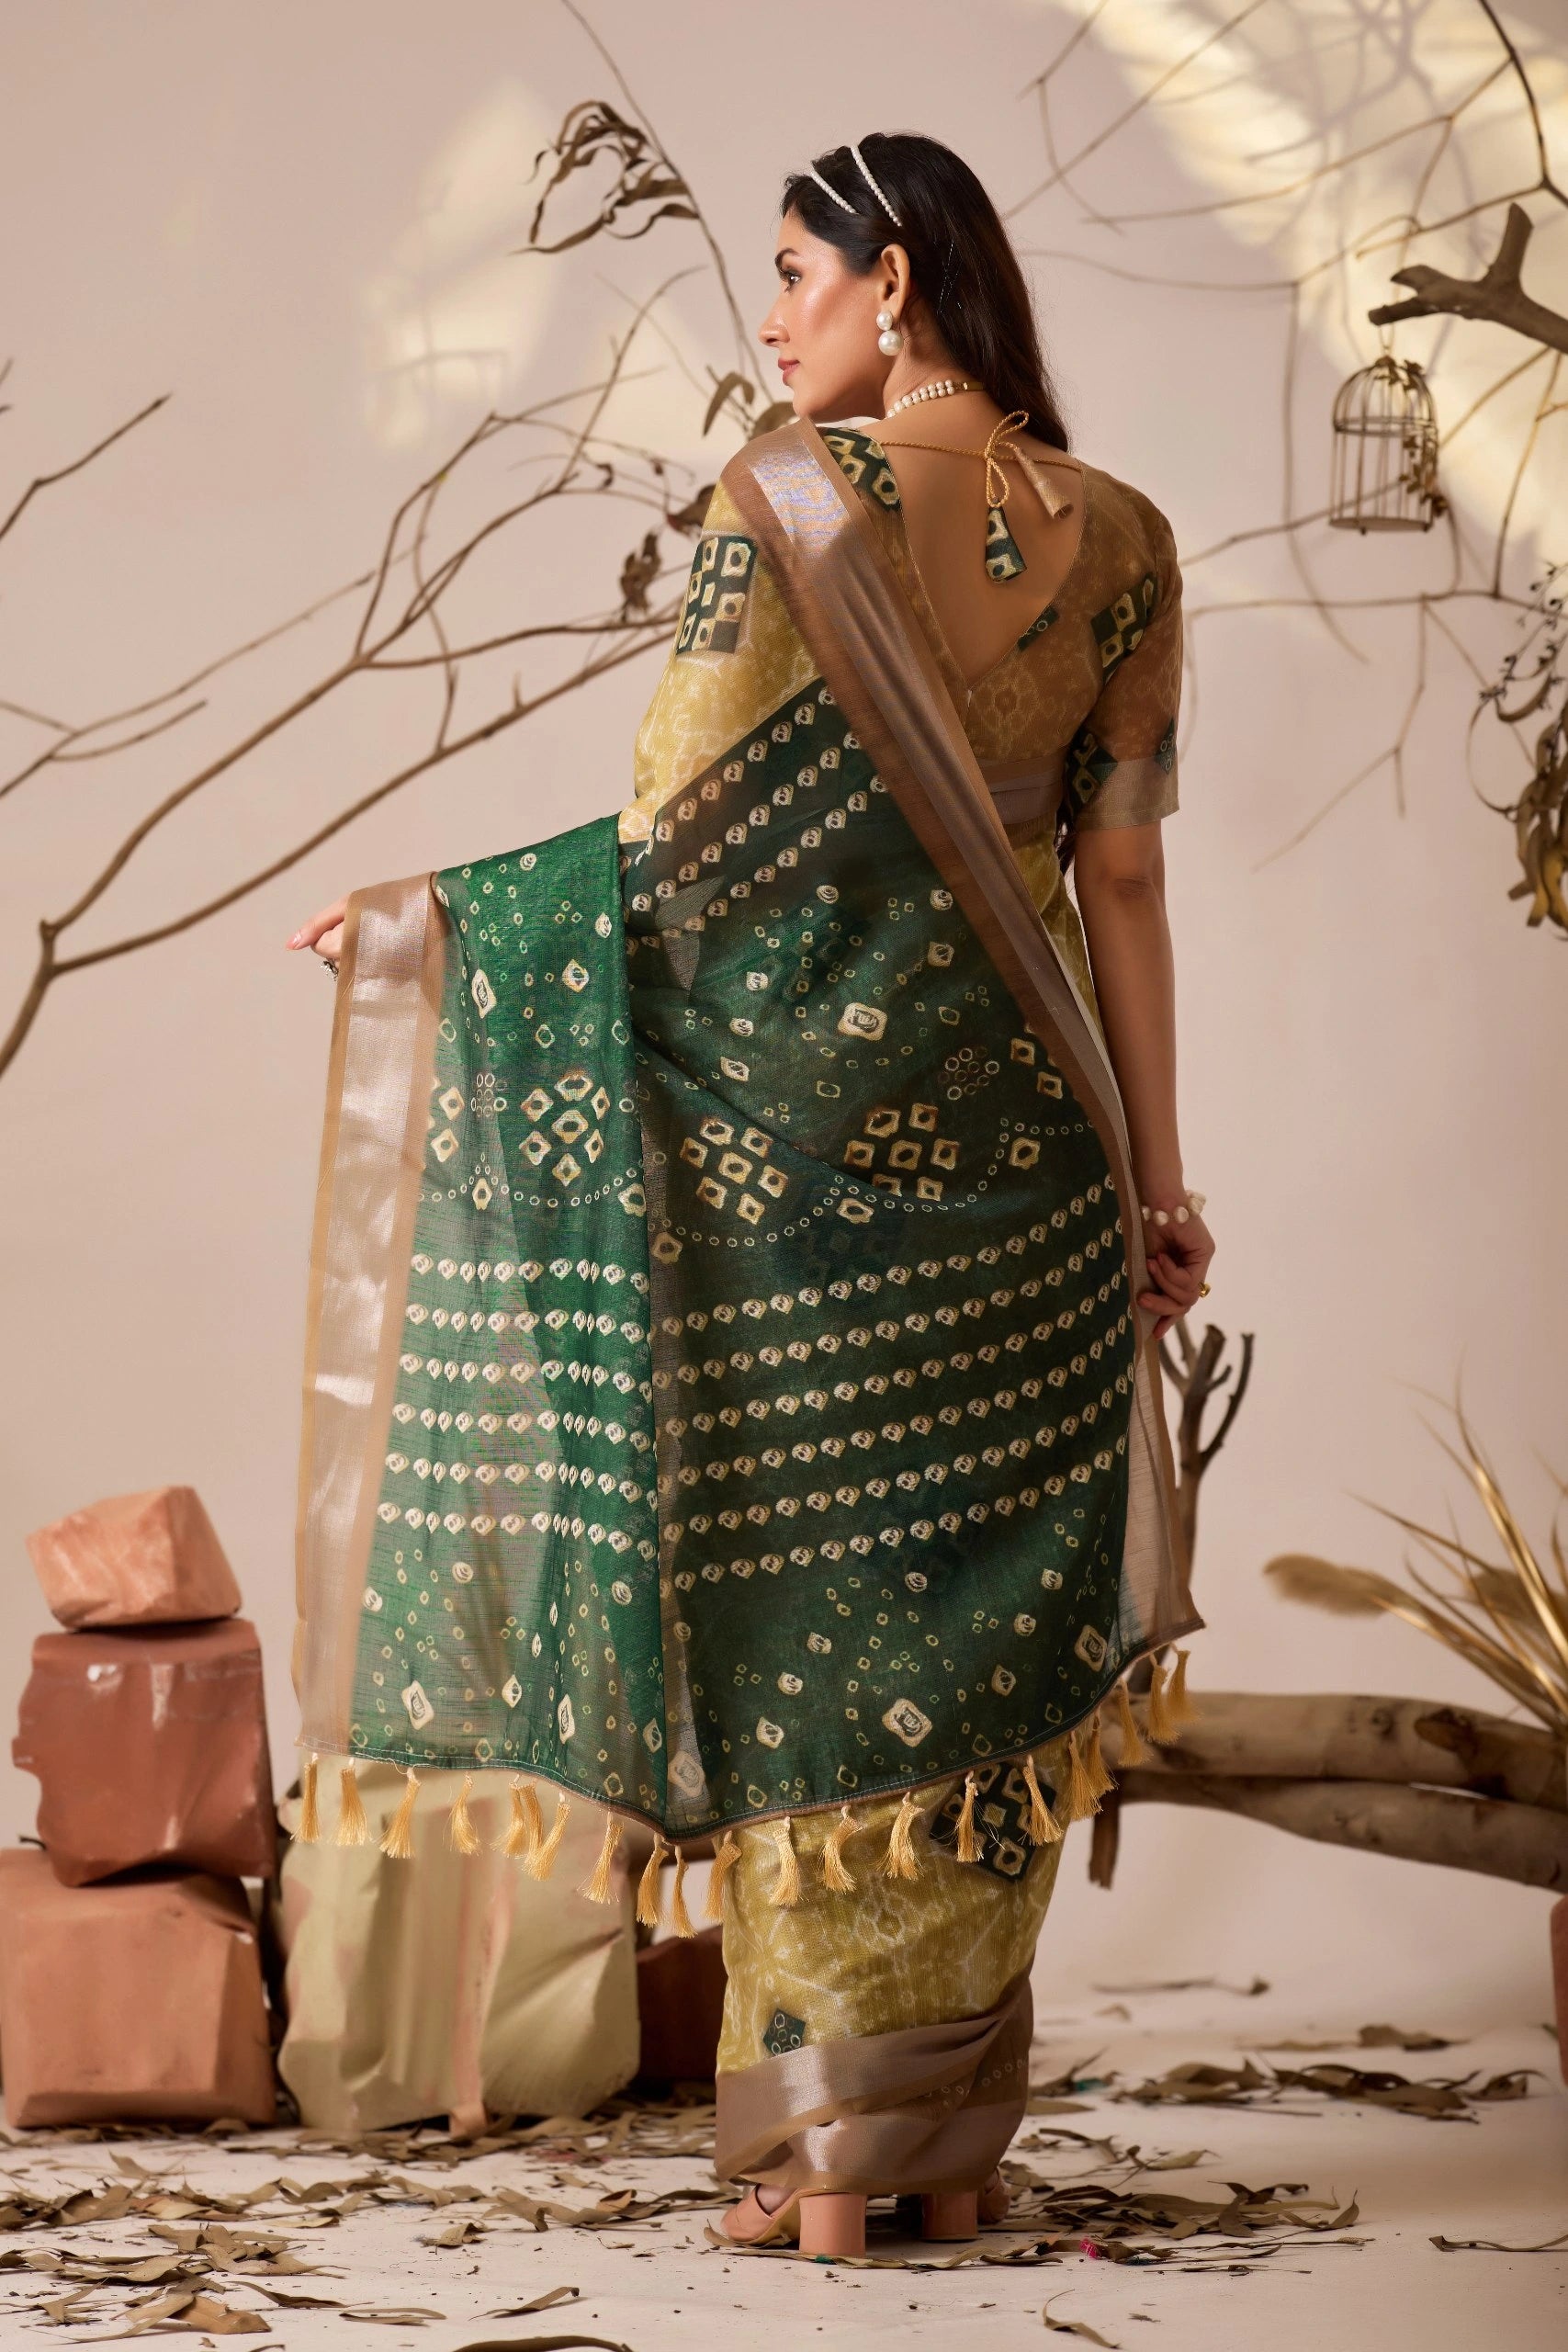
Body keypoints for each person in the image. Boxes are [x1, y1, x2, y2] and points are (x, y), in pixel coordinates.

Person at [287, 130, 1212, 2260]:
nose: (766, 315)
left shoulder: (778, 509)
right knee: (970, 1677)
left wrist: (425, 923)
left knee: (805, 1650)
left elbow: (662, 853)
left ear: (896, 283)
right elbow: (1126, 877)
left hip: (798, 1196)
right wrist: (1159, 1184)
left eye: (793, 271)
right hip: (1033, 1188)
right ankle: (937, 2155)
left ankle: (819, 2170)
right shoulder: (1133, 545)